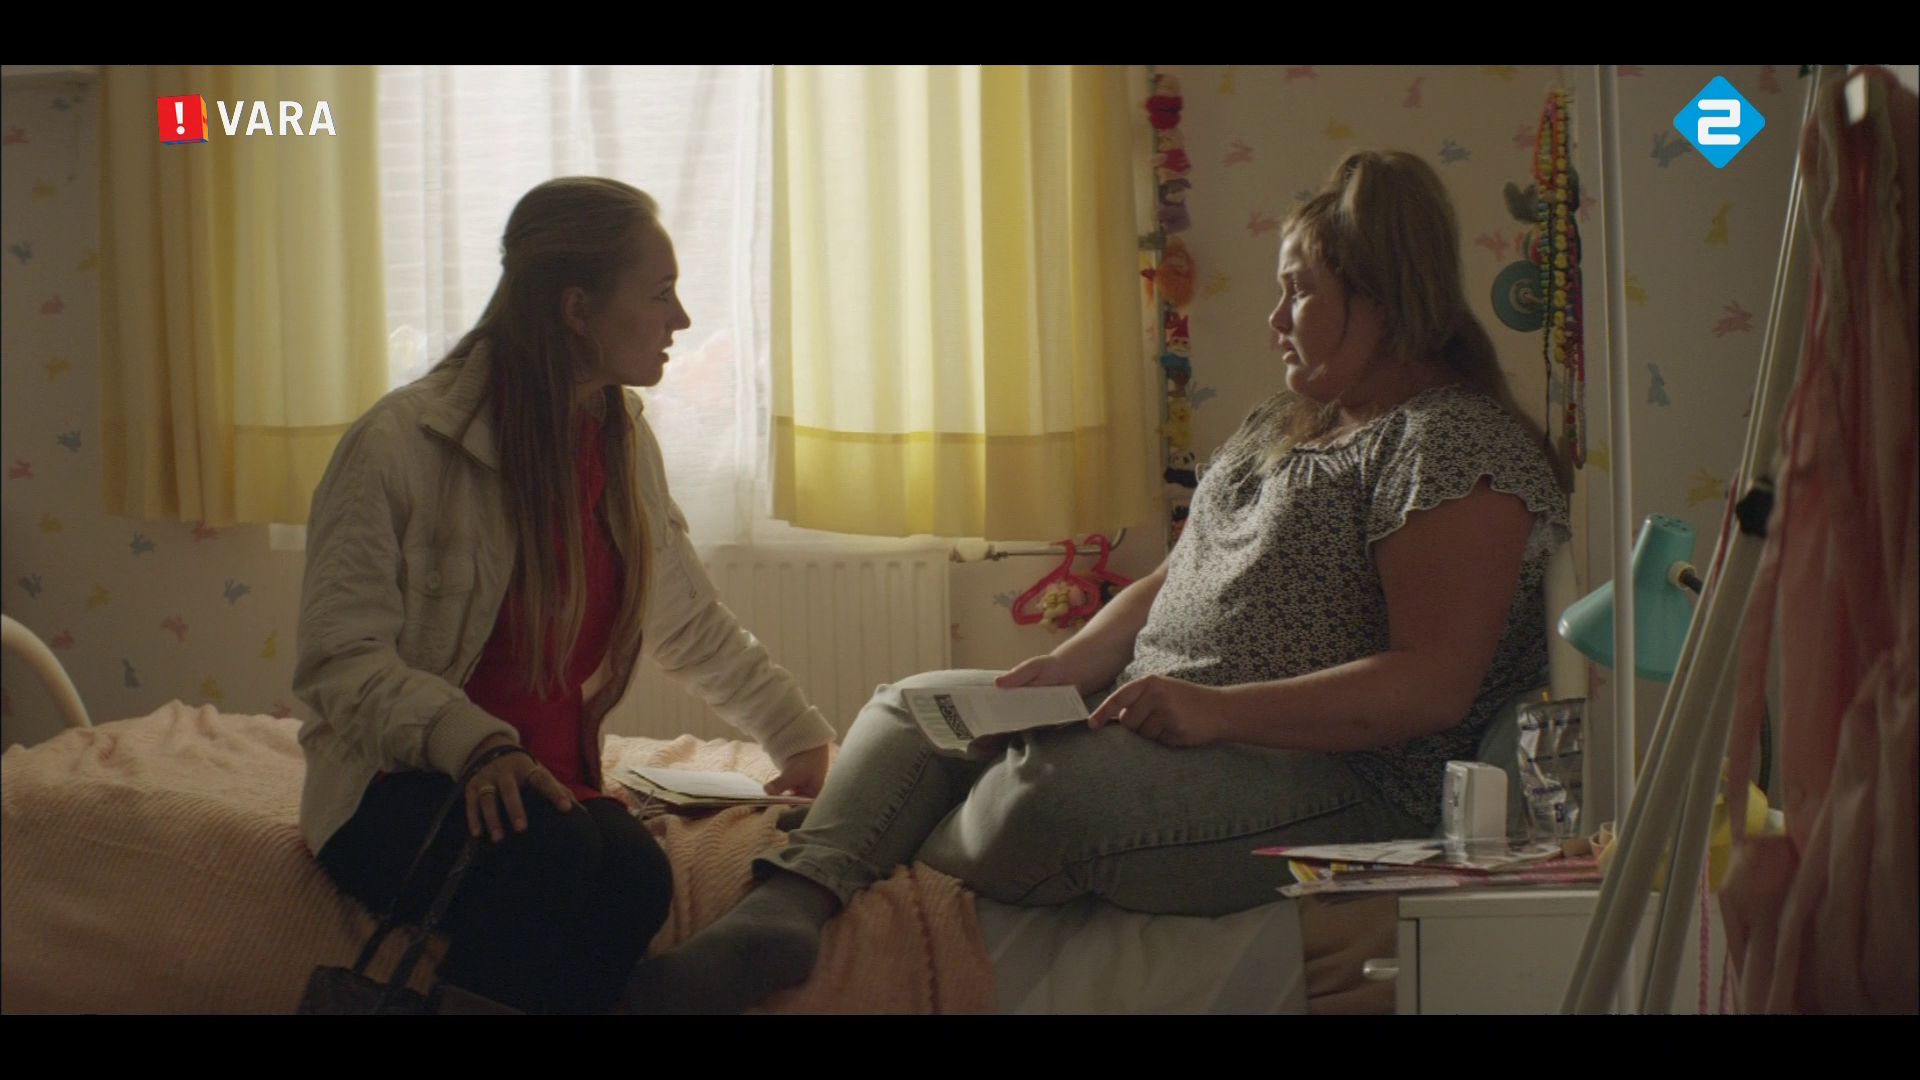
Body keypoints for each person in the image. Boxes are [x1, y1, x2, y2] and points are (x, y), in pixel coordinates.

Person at [632, 150, 1571, 1014]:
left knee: (1044, 801)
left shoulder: (1450, 444)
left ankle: (877, 839)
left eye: (1299, 292)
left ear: (1384, 295)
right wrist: (1068, 665)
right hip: (1168, 725)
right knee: (913, 707)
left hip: (1336, 778)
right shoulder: (1292, 421)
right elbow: (1173, 577)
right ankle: (787, 909)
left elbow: (1431, 682)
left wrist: (1216, 712)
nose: (1275, 320)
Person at [293, 177, 836, 1014]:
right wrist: (479, 746)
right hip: (395, 784)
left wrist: (797, 737)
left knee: (637, 873)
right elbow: (341, 661)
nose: (681, 319)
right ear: (578, 309)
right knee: (552, 858)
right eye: (660, 294)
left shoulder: (620, 440)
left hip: (545, 785)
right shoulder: (401, 444)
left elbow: (686, 619)